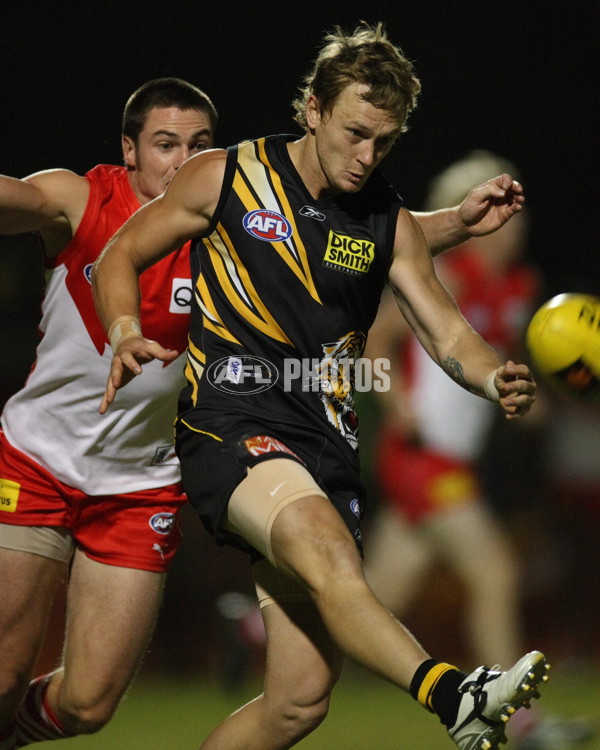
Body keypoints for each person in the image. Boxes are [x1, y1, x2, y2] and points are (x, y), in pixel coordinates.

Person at [93, 23, 549, 750]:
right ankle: (455, 694)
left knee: (299, 702)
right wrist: (122, 328)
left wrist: (495, 375)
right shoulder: (227, 175)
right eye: (356, 133)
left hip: (327, 449)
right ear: (313, 108)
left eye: (385, 142)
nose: (366, 157)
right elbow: (119, 255)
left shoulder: (384, 219)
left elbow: (447, 331)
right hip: (231, 420)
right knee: (327, 551)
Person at [0, 78, 218, 749]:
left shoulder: (228, 230)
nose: (182, 160)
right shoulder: (84, 199)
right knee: (3, 676)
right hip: (36, 462)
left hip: (137, 484)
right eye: (164, 144)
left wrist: (449, 224)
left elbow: (359, 241)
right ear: (129, 150)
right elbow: (23, 197)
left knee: (88, 706)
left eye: (200, 146)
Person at [363, 150, 595, 750]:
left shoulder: (521, 287)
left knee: (370, 600)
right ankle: (518, 720)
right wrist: (397, 405)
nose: (513, 222)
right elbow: (374, 344)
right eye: (497, 206)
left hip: (453, 458)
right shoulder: (450, 271)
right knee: (495, 569)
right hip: (420, 455)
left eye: (516, 208)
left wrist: (533, 400)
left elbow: (500, 367)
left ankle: (260, 631)